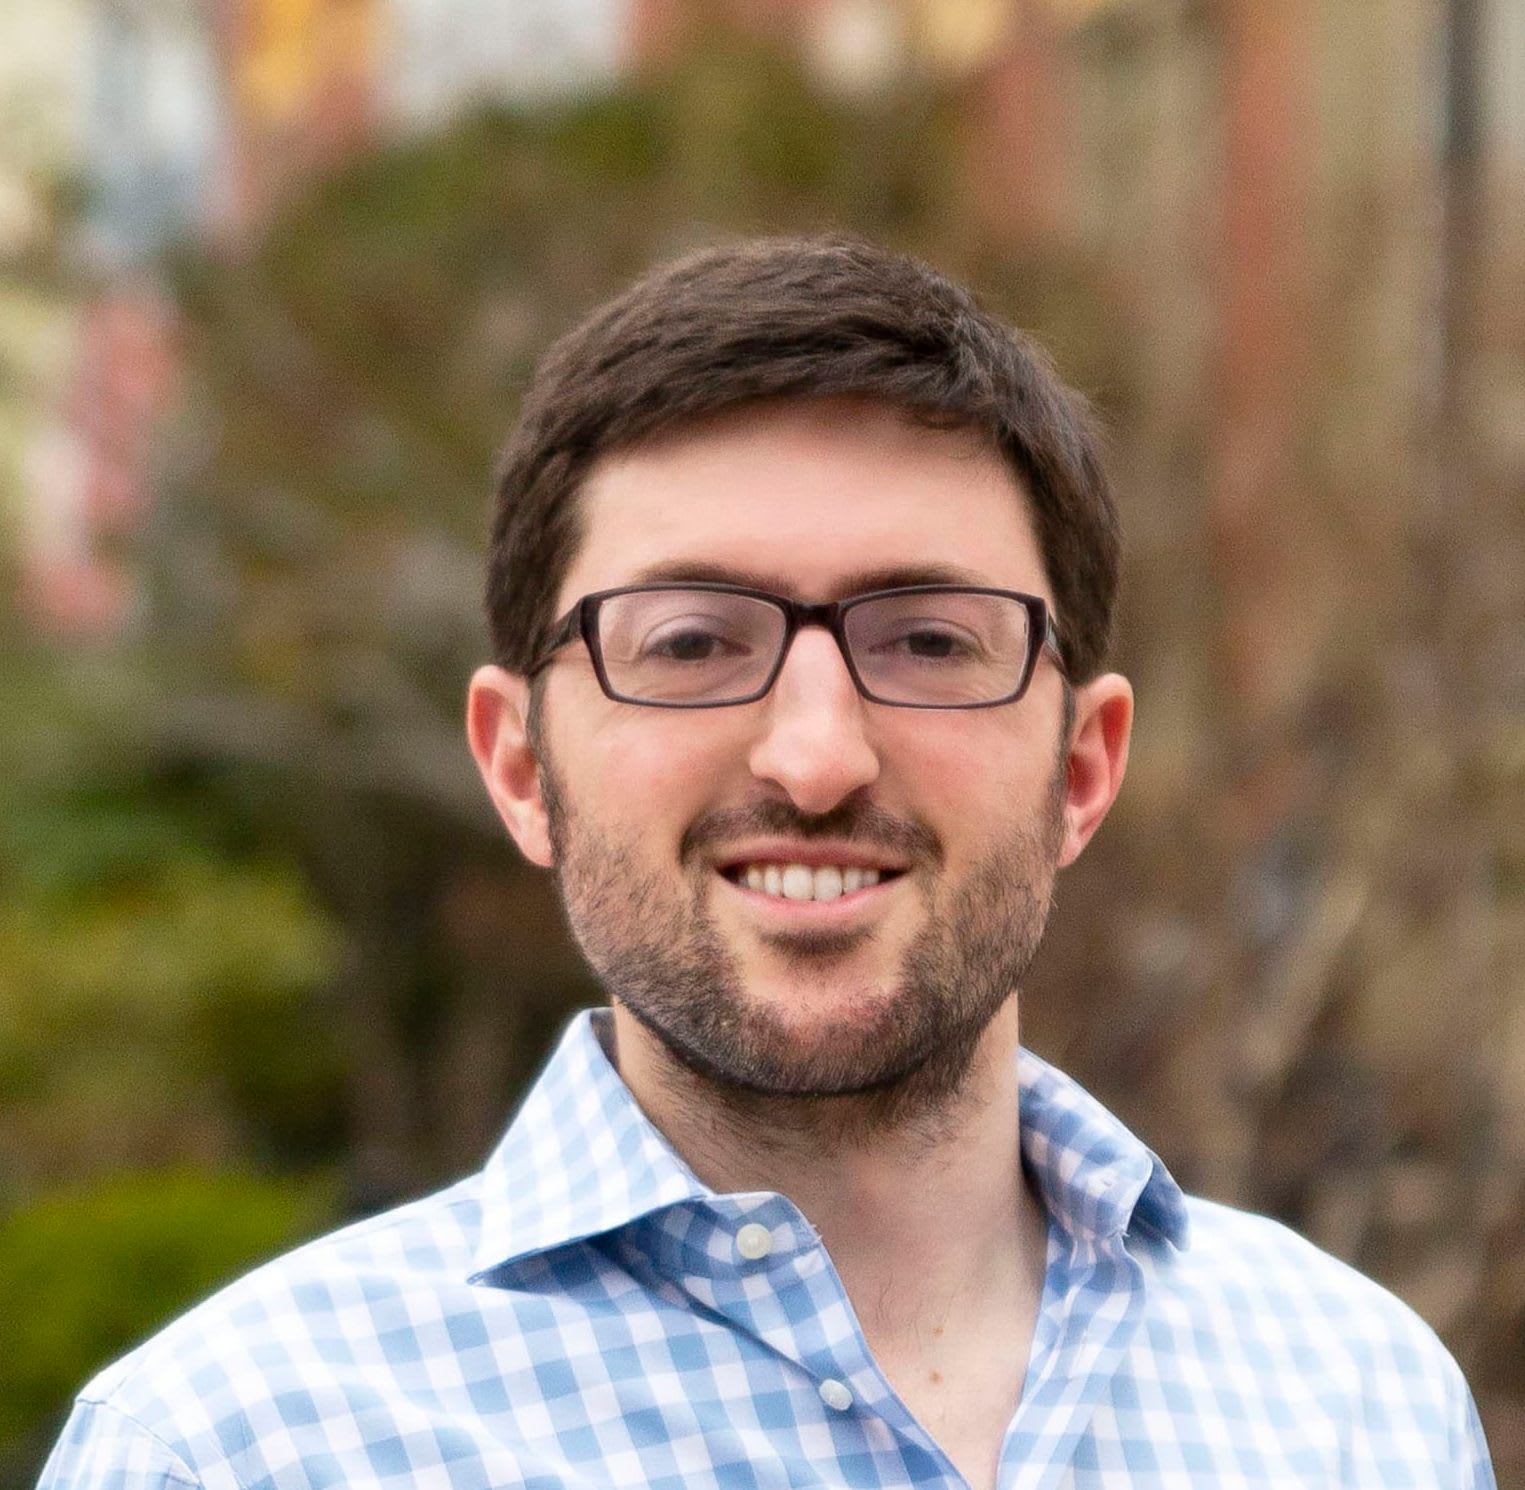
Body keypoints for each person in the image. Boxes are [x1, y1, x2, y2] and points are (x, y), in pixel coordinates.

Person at [39, 237, 1495, 1490]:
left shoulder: (1357, 1405)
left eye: (928, 641)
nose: (815, 756)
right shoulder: (238, 1450)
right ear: (521, 765)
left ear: (1082, 767)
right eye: (690, 642)